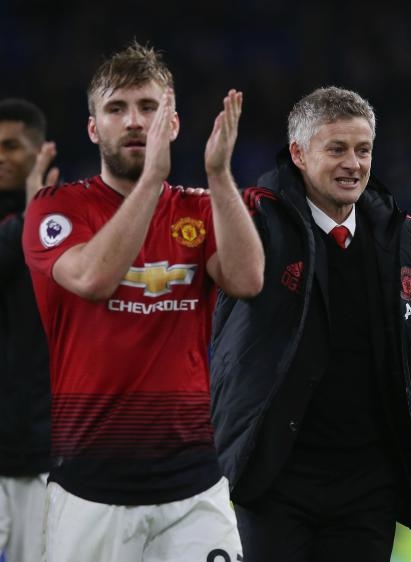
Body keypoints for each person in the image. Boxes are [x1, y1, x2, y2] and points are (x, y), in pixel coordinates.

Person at [209, 86, 411, 561]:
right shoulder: (256, 224)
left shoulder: (402, 238)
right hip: (273, 479)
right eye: (337, 149)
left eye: (363, 149)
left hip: (368, 486)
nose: (353, 163)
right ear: (299, 154)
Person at [22, 42, 263, 562]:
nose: (134, 121)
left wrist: (219, 176)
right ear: (94, 129)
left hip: (194, 486)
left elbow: (247, 280)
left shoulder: (200, 209)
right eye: (117, 109)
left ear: (172, 124)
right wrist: (152, 180)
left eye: (148, 107)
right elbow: (93, 278)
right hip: (91, 490)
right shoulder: (56, 208)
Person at [0, 98, 58, 562]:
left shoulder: (65, 222)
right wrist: (29, 220)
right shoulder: (35, 222)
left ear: (40, 152)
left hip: (36, 451)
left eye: (11, 146)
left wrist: (37, 218)